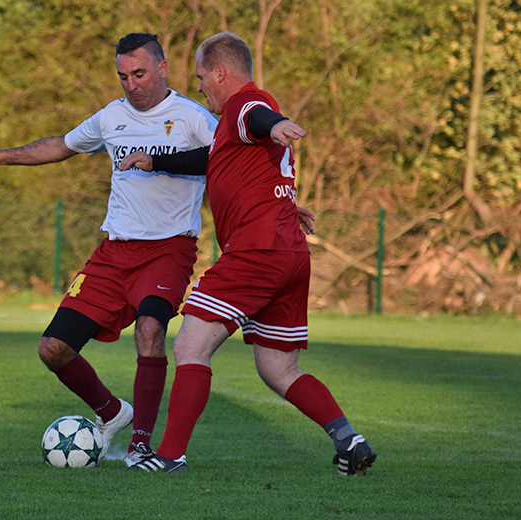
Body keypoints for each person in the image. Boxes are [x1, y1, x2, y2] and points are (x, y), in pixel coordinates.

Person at [120, 31, 377, 475]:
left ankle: (170, 456)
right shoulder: (231, 130)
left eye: (202, 76)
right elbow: (216, 161)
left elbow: (259, 116)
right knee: (277, 367)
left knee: (191, 344)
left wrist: (275, 123)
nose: (199, 86)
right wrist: (155, 161)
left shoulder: (245, 104)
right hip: (290, 253)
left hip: (257, 253)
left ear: (221, 73)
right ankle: (348, 440)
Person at [0, 33, 220, 466]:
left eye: (138, 74)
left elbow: (228, 164)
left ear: (162, 68)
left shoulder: (192, 117)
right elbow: (61, 145)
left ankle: (140, 444)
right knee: (53, 349)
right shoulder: (111, 117)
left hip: (168, 251)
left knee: (150, 331)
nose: (130, 85)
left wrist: (279, 203)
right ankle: (113, 412)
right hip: (113, 254)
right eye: (122, 76)